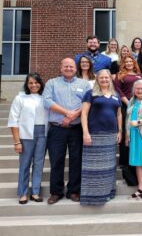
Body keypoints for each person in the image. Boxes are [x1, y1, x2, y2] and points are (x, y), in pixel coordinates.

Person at [43, 58, 91, 204]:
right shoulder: (52, 83)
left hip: (76, 128)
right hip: (57, 129)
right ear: (61, 68)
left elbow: (88, 102)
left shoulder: (84, 84)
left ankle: (74, 191)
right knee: (56, 160)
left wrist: (73, 116)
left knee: (76, 161)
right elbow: (47, 101)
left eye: (71, 66)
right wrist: (66, 113)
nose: (69, 68)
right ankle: (56, 192)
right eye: (66, 66)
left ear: (76, 69)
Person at [80, 69, 122, 205]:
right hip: (95, 135)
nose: (104, 80)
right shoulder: (91, 94)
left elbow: (119, 114)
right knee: (93, 167)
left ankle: (107, 193)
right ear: (97, 79)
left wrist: (120, 131)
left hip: (110, 135)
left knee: (109, 167)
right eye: (101, 78)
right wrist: (85, 133)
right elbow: (84, 114)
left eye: (107, 78)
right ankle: (92, 196)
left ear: (110, 79)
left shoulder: (116, 94)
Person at [8, 73, 47, 204]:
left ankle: (35, 192)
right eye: (30, 83)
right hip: (26, 135)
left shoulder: (45, 98)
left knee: (38, 164)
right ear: (27, 84)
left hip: (42, 133)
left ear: (40, 84)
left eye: (36, 82)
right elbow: (13, 120)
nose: (34, 85)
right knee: (24, 165)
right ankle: (23, 193)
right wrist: (17, 141)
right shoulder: (20, 98)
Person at [114, 55, 142, 186]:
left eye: (130, 61)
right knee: (128, 132)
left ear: (134, 62)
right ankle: (125, 162)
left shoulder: (140, 75)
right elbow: (117, 90)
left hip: (140, 107)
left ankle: (138, 157)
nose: (128, 63)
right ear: (123, 64)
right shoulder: (120, 75)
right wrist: (128, 102)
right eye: (126, 61)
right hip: (127, 106)